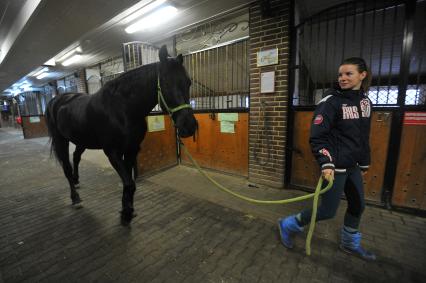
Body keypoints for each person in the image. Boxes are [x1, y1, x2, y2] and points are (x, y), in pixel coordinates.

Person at [278, 57, 376, 260]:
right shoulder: (330, 102)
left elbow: (363, 135)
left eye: (349, 73)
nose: (343, 78)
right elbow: (318, 136)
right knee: (327, 211)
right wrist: (326, 162)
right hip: (335, 166)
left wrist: (364, 161)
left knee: (358, 206)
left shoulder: (366, 103)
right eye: (340, 74)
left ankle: (349, 244)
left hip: (354, 165)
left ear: (362, 75)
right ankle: (288, 224)